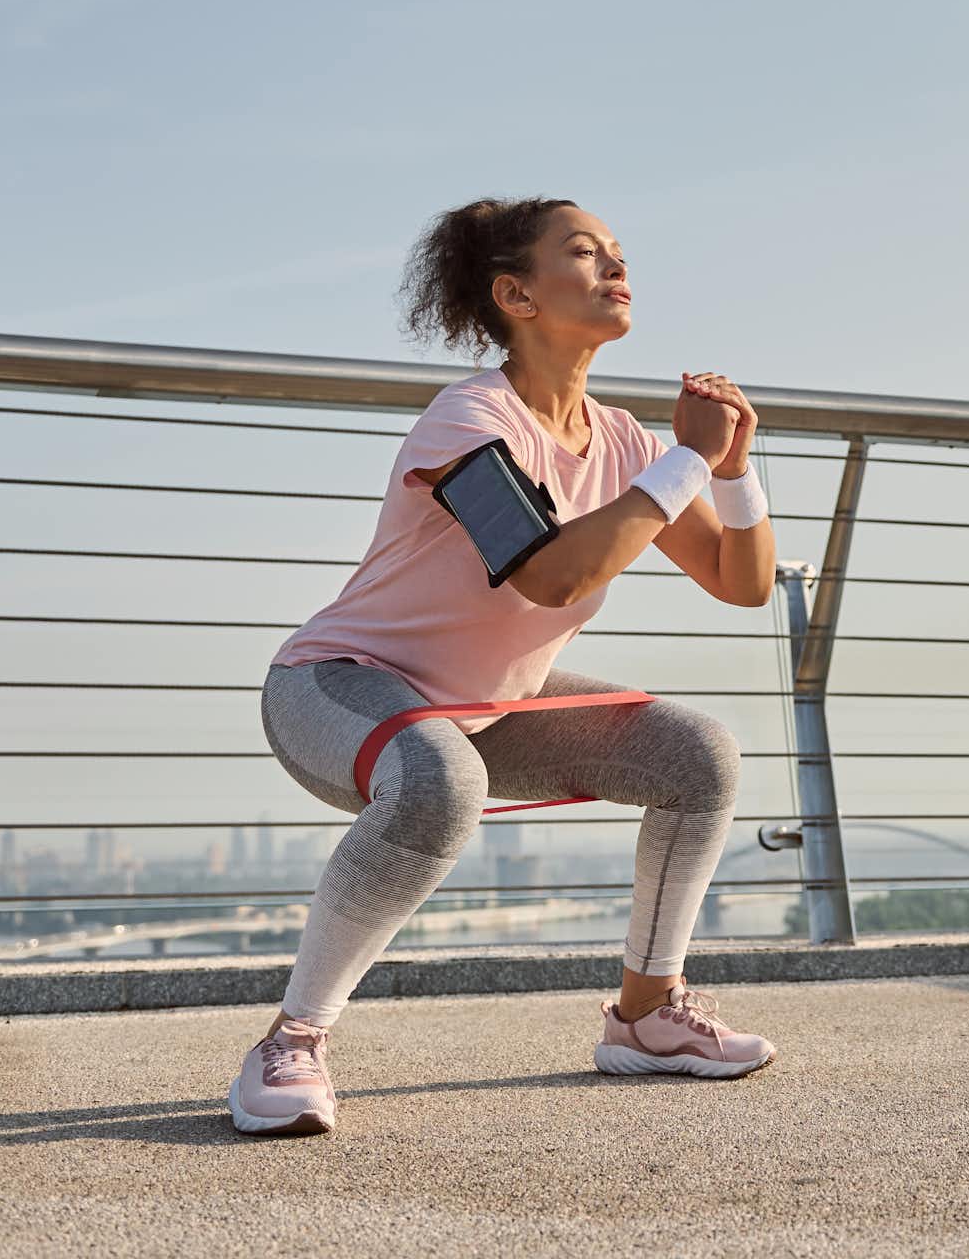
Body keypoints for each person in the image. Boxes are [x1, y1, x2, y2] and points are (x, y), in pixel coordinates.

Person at [230, 196, 779, 1136]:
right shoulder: (469, 422)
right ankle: (291, 1042)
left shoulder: (624, 444)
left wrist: (729, 469)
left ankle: (647, 1017)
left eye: (618, 252)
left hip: (485, 706)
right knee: (439, 780)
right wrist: (685, 459)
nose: (615, 265)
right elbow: (553, 577)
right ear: (515, 293)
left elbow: (743, 582)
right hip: (338, 686)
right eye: (584, 252)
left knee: (696, 755)